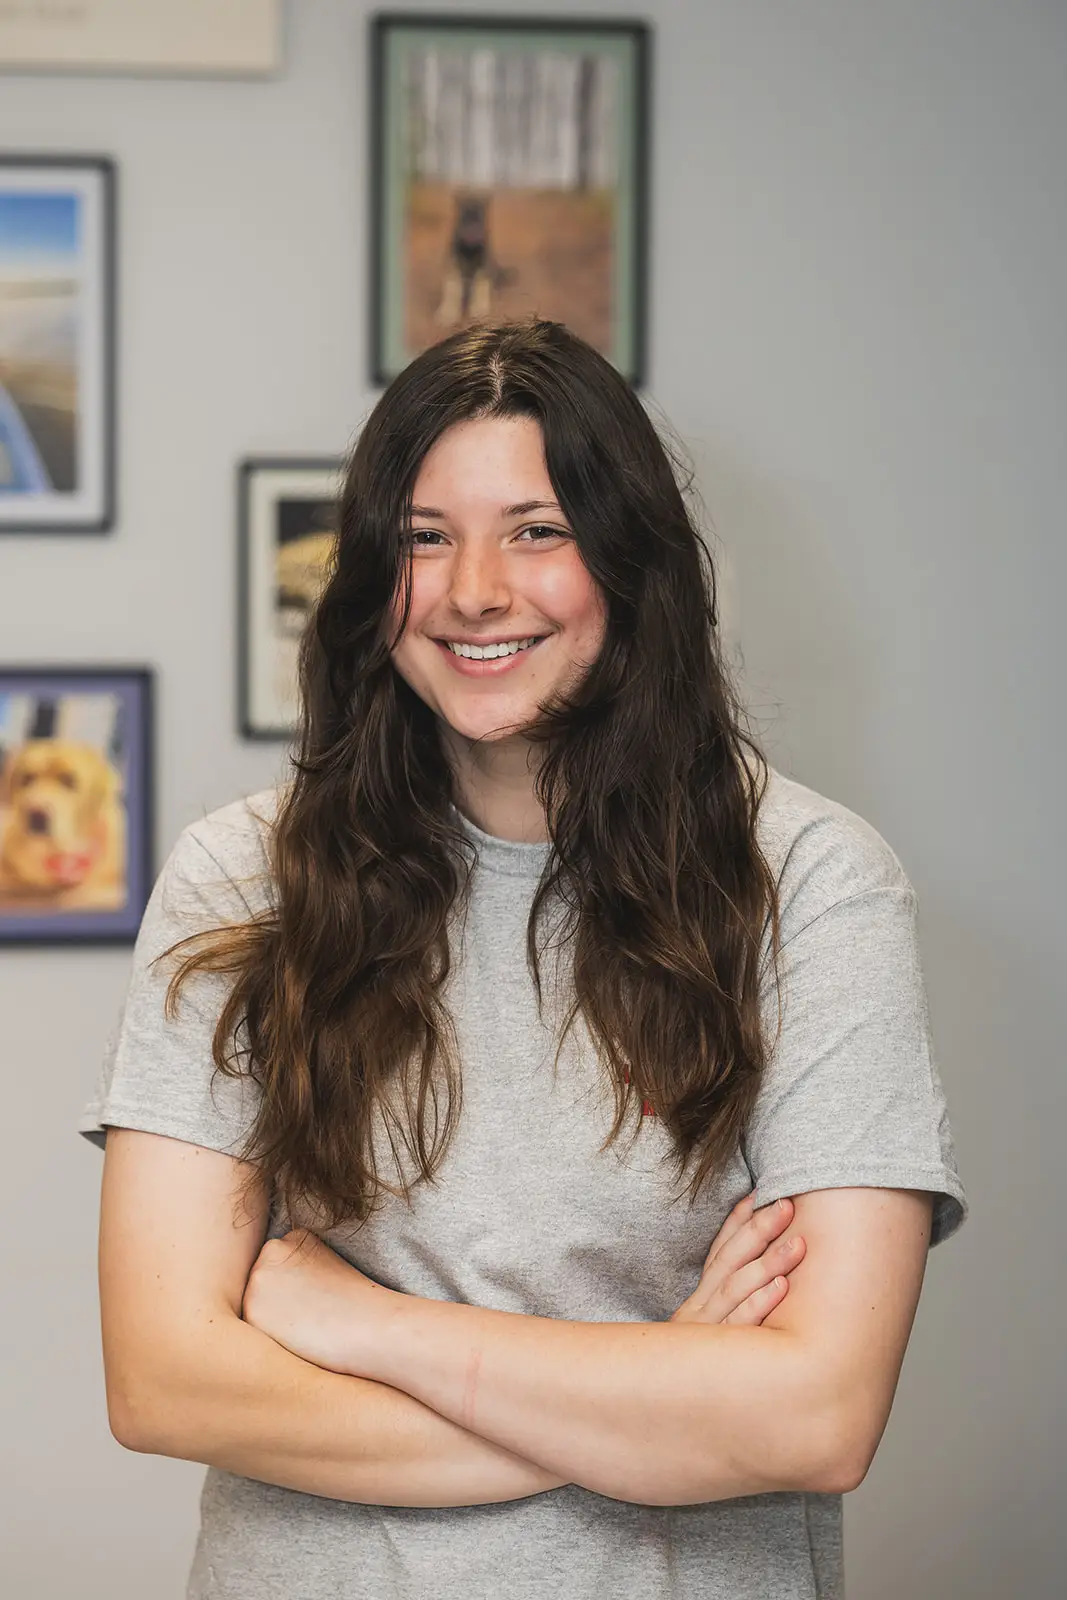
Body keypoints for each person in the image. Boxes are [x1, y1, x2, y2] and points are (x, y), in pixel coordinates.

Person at [79, 318, 968, 1600]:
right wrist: (660, 1394)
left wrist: (370, 1326)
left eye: (537, 530)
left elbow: (814, 1419)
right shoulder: (243, 878)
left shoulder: (814, 887)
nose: (472, 590)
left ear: (628, 558)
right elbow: (162, 1381)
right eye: (422, 536)